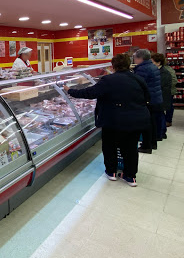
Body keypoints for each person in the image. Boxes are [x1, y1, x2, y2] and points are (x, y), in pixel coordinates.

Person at [64, 54, 149, 187]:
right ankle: (130, 176)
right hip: (135, 120)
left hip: (113, 119)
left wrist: (70, 91)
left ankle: (111, 172)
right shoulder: (138, 79)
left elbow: (89, 93)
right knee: (131, 148)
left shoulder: (108, 80)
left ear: (113, 66)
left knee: (110, 146)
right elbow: (147, 97)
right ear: (128, 65)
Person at [133, 49, 162, 153]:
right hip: (155, 99)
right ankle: (152, 143)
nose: (134, 60)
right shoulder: (152, 66)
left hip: (148, 100)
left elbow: (137, 85)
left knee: (146, 123)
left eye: (135, 58)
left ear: (140, 58)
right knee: (152, 123)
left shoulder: (143, 69)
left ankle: (146, 146)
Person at [151, 53, 172, 139]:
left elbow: (159, 85)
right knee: (160, 115)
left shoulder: (163, 73)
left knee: (159, 116)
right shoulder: (160, 71)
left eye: (152, 62)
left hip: (162, 97)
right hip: (161, 97)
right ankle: (162, 133)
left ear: (158, 63)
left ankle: (161, 133)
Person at [164, 60, 177, 127]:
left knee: (169, 106)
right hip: (166, 91)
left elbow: (174, 81)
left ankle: (168, 121)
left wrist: (166, 87)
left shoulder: (168, 70)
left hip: (169, 91)